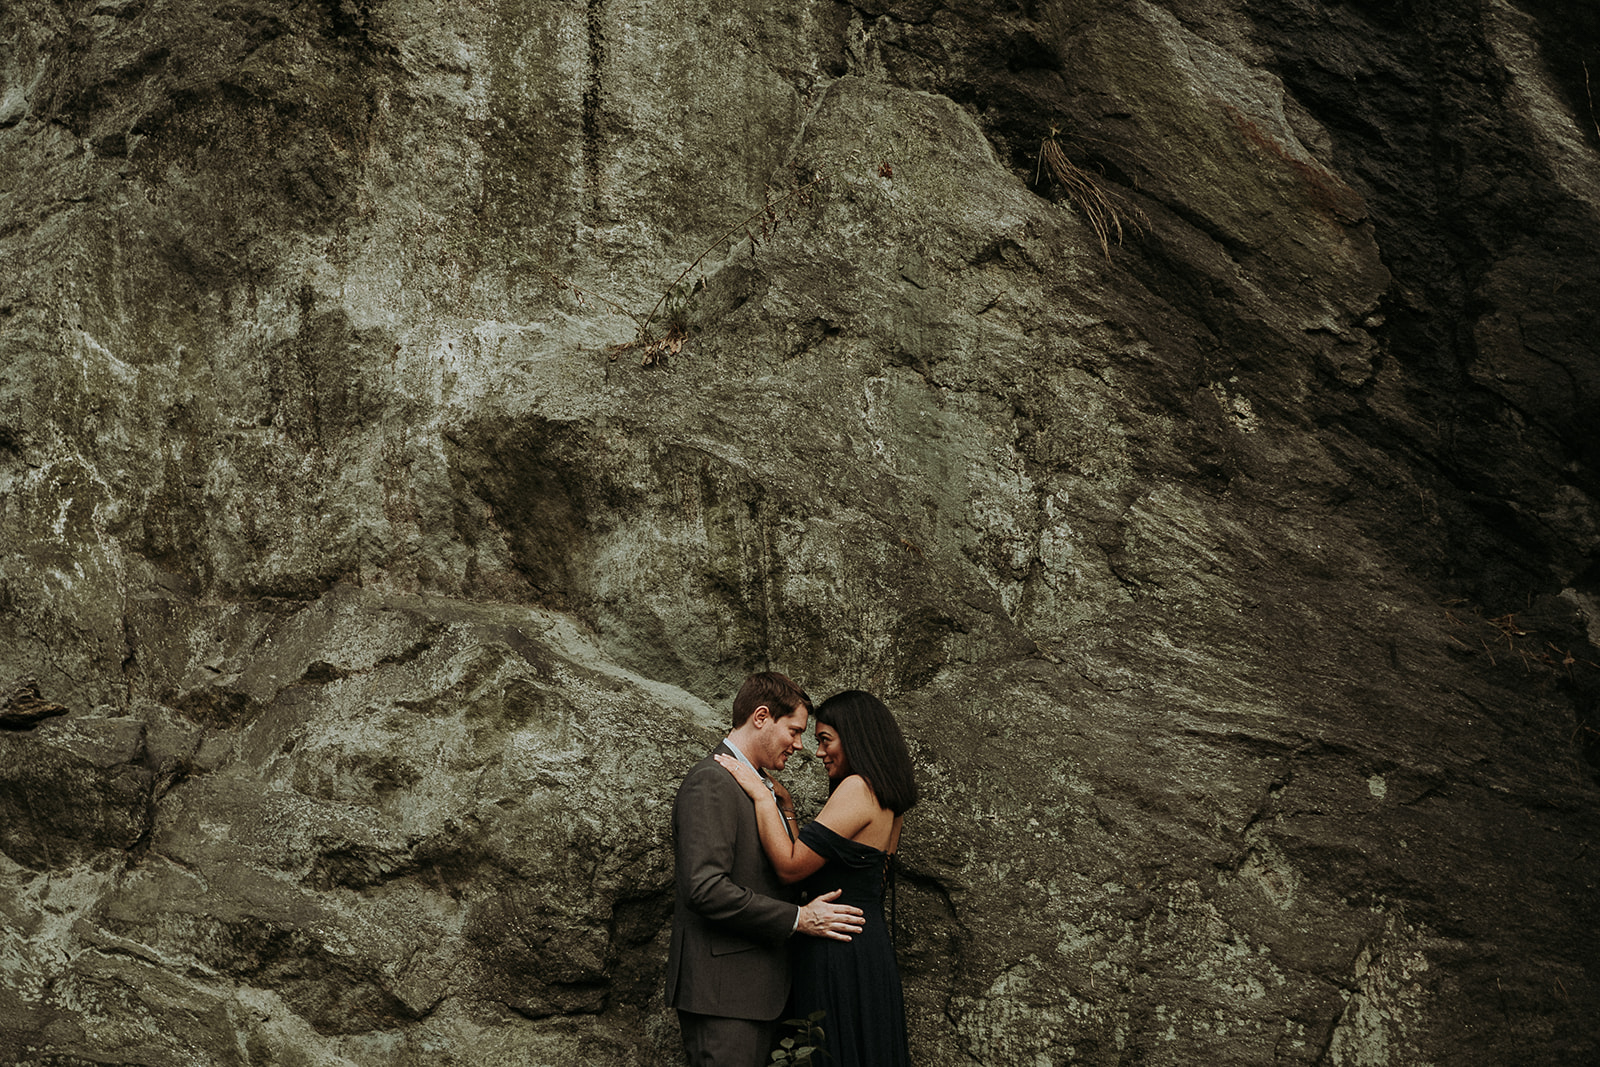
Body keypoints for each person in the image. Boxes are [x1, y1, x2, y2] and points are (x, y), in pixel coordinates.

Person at [666, 671, 867, 1067]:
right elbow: (705, 889)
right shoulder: (711, 781)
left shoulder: (761, 785)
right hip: (725, 997)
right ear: (761, 716)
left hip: (757, 994)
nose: (798, 745)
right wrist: (800, 918)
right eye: (793, 731)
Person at [713, 689, 918, 1067]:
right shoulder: (890, 797)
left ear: (856, 737)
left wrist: (761, 796)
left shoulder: (858, 788)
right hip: (867, 948)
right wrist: (787, 809)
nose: (819, 752)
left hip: (837, 946)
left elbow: (791, 866)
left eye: (826, 740)